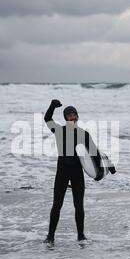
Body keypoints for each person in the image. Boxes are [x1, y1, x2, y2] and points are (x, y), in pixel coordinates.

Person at [43, 99, 102, 244]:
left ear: (77, 116)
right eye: (69, 115)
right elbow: (47, 119)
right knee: (57, 204)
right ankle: (50, 236)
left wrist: (104, 168)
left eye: (74, 114)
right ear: (65, 117)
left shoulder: (83, 134)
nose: (72, 117)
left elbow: (94, 153)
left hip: (77, 172)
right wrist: (52, 106)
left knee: (79, 205)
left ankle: (81, 235)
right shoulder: (59, 130)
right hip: (62, 172)